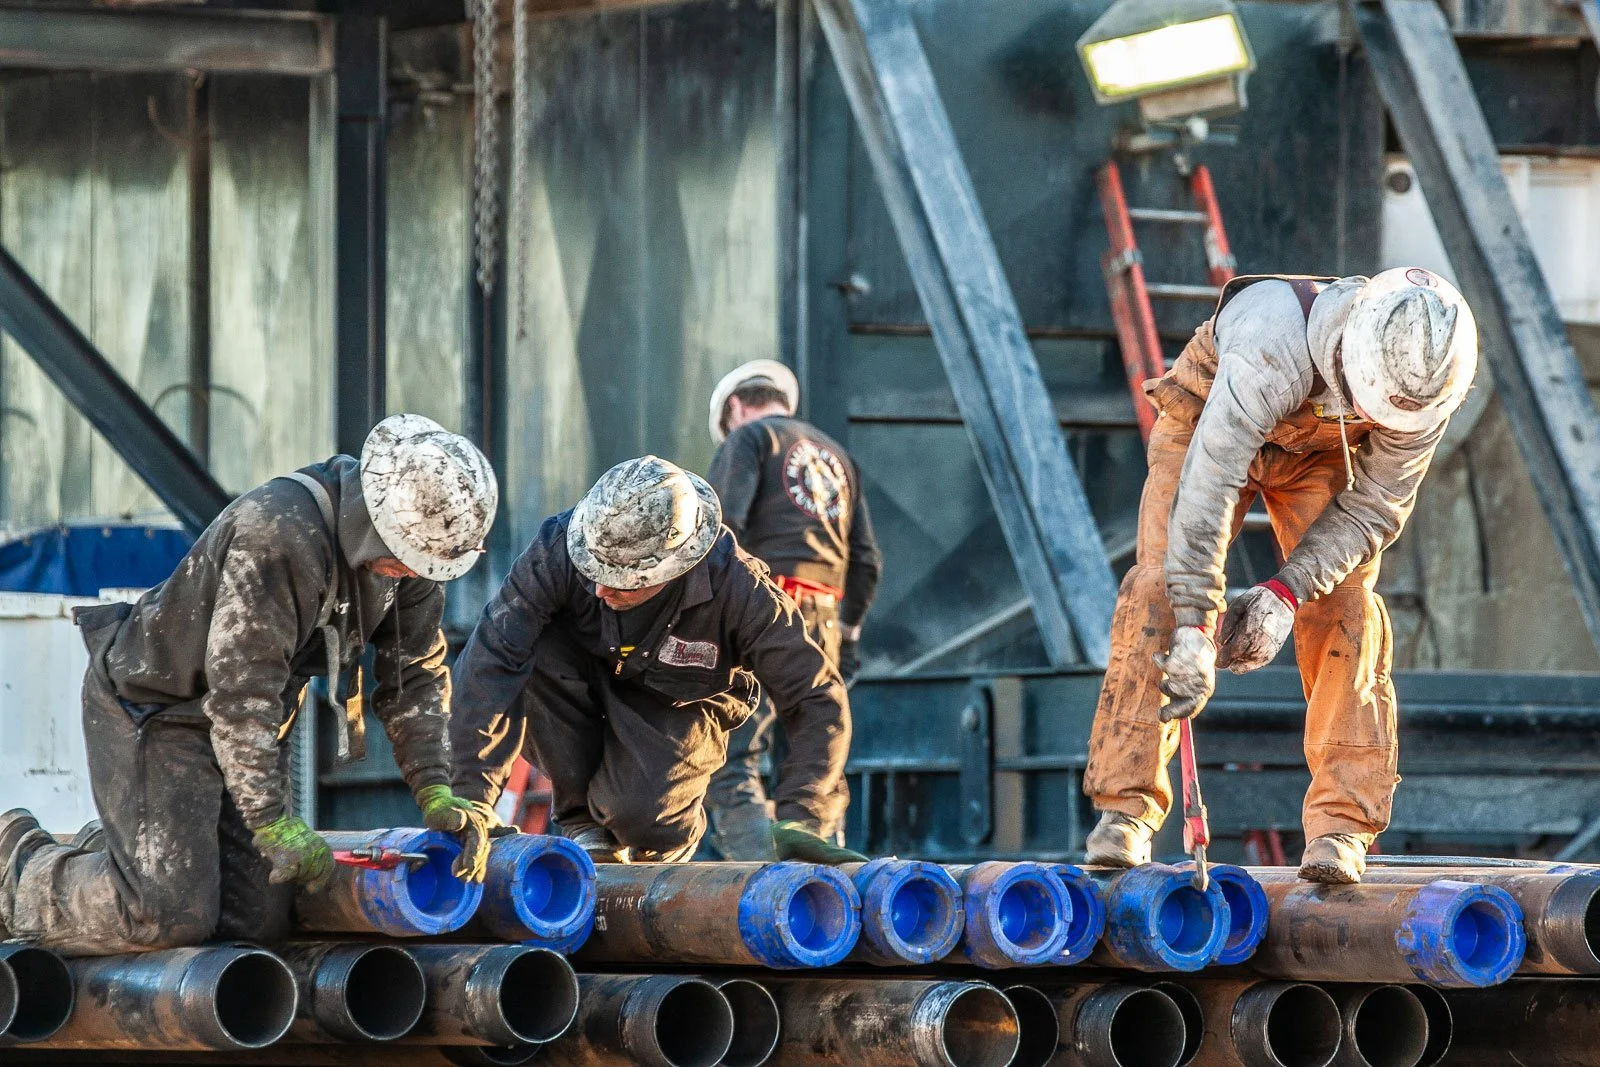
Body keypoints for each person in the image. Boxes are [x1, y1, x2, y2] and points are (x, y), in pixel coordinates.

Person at [0, 415, 503, 954]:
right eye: (406, 559)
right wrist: (273, 823)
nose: (411, 572)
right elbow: (241, 697)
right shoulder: (279, 535)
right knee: (164, 916)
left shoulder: (411, 563)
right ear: (377, 519)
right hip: (159, 708)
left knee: (257, 925)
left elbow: (415, 678)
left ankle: (128, 850)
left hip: (250, 727)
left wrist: (436, 789)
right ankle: (15, 863)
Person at [1082, 268, 1478, 884]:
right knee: (1157, 589)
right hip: (1208, 414)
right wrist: (1193, 623)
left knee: (1346, 607)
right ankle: (1124, 811)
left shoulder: (1428, 385)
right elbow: (1208, 488)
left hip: (1325, 448)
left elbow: (1375, 509)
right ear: (1348, 355)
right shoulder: (1271, 343)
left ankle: (1341, 826)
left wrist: (1285, 593)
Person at [448, 455, 859, 865]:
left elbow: (815, 697)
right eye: (592, 572)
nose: (598, 591)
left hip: (682, 702)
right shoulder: (556, 549)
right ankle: (581, 822)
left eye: (618, 582)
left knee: (640, 817)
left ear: (672, 568)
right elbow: (490, 657)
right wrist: (472, 799)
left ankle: (666, 832)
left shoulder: (740, 589)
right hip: (582, 681)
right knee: (527, 643)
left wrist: (802, 816)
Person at [701, 359, 881, 859]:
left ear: (736, 407)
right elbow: (866, 561)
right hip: (824, 615)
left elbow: (720, 532)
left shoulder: (750, 440)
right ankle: (826, 873)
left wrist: (709, 617)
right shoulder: (837, 456)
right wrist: (845, 632)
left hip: (761, 611)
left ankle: (763, 875)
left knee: (730, 752)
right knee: (814, 749)